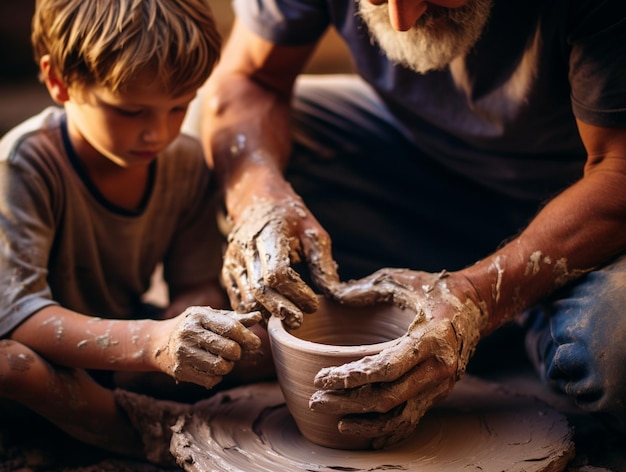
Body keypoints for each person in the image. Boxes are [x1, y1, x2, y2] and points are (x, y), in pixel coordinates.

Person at [196, 0, 626, 449]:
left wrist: (479, 299)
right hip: (426, 169)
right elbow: (250, 79)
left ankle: (519, 318)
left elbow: (619, 172)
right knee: (232, 148)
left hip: (587, 209)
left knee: (617, 354)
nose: (402, 19)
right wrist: (261, 201)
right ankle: (482, 324)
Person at [0, 0, 268, 464]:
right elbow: (17, 314)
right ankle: (130, 431)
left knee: (265, 344)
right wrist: (150, 343)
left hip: (122, 346)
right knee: (13, 368)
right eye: (131, 111)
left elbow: (195, 282)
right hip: (45, 350)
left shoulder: (184, 162)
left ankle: (130, 412)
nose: (157, 133)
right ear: (58, 81)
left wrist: (188, 328)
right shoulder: (25, 165)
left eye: (179, 107)